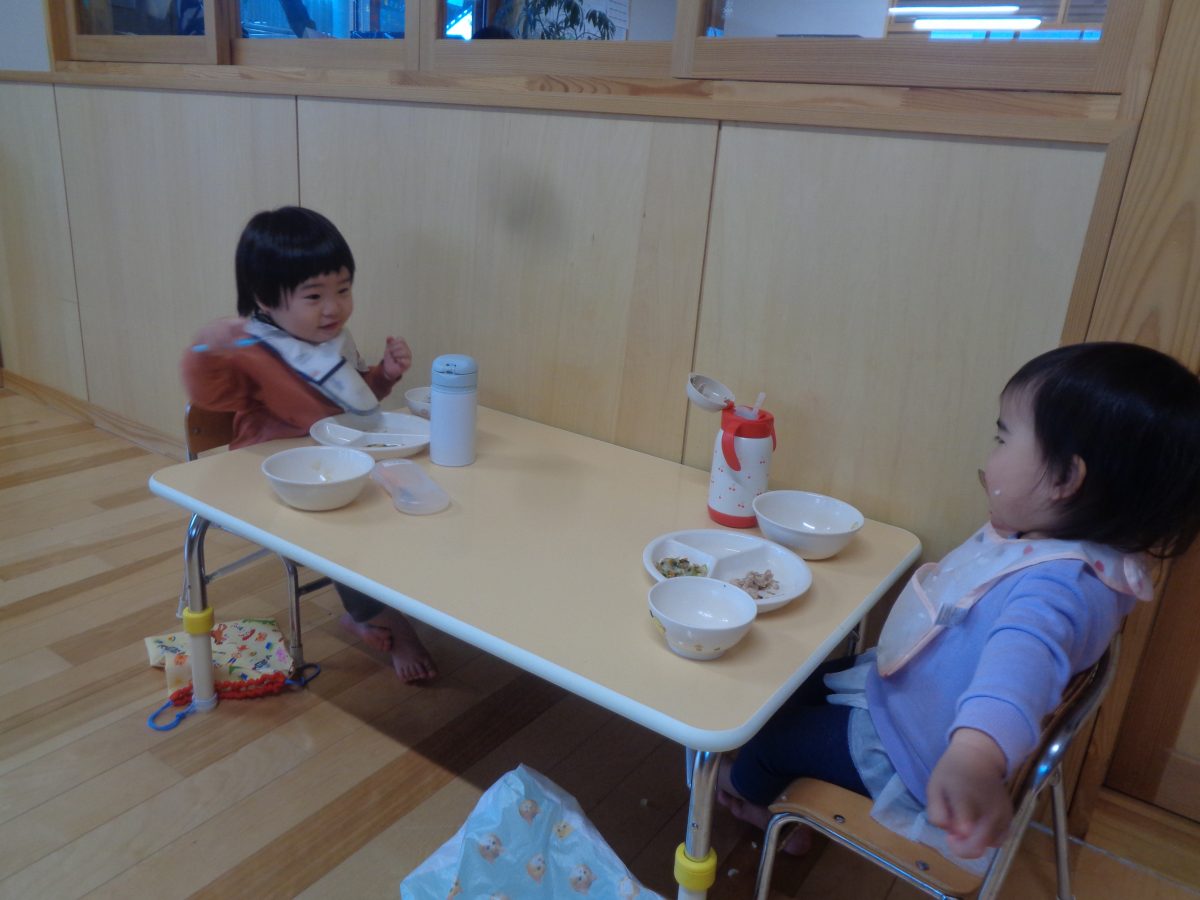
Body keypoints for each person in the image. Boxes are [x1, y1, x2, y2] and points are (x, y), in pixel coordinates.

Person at [718, 342, 1200, 864]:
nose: (990, 455)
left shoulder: (1058, 588)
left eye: (1003, 438)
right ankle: (776, 783)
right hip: (900, 697)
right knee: (795, 685)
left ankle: (748, 797)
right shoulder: (1073, 547)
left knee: (775, 741)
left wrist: (974, 753)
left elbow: (1018, 670)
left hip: (907, 749)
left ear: (1064, 479)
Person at [181, 206, 437, 683]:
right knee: (348, 530)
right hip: (277, 472)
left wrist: (384, 375)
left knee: (410, 496)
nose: (334, 308)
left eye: (343, 289)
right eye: (314, 295)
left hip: (340, 461)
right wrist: (207, 347)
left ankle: (368, 610)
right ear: (266, 299)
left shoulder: (333, 338)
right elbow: (208, 393)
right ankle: (390, 624)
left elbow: (356, 399)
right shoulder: (253, 351)